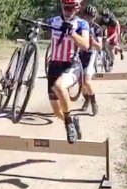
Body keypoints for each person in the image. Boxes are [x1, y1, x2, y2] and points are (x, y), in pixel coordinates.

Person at [46, 0, 90, 144]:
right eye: (66, 7)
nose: (68, 10)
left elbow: (85, 45)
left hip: (71, 65)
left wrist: (71, 33)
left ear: (77, 9)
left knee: (60, 87)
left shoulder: (82, 24)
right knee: (58, 112)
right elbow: (43, 25)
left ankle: (68, 124)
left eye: (71, 8)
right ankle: (72, 120)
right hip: (53, 66)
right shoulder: (54, 21)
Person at [79, 5, 102, 116]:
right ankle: (87, 99)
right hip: (80, 54)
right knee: (81, 83)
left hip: (91, 54)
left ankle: (93, 102)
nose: (88, 18)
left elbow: (100, 47)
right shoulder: (80, 25)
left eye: (91, 16)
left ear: (94, 16)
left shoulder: (97, 28)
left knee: (87, 81)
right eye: (87, 16)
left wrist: (93, 42)